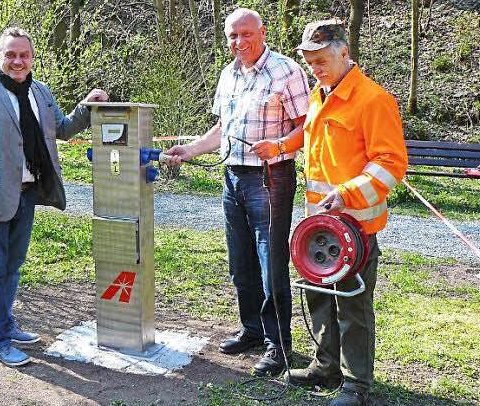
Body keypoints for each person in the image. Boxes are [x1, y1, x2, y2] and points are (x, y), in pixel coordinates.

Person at [165, 8, 310, 376]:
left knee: (269, 264)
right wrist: (190, 149)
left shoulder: (286, 70)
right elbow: (221, 129)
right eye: (232, 36)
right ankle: (252, 329)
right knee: (240, 261)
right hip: (232, 177)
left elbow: (308, 127)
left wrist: (278, 145)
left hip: (270, 177)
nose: (239, 42)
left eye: (246, 34)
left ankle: (279, 346)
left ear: (262, 32)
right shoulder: (228, 74)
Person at [0, 27, 108, 367]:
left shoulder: (40, 91)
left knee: (13, 267)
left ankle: (7, 325)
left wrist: (85, 107)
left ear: (32, 57)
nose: (17, 61)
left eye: (23, 55)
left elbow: (62, 129)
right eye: (10, 55)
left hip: (27, 195)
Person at [283, 20, 408, 406]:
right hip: (319, 226)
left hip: (356, 226)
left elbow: (390, 163)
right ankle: (326, 366)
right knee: (320, 296)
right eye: (309, 62)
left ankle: (357, 385)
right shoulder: (321, 95)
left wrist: (348, 192)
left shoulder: (373, 100)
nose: (314, 69)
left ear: (343, 53)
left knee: (352, 304)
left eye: (321, 60)